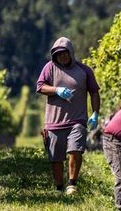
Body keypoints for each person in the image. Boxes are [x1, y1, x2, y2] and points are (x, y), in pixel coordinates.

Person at [36, 37, 101, 195]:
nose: (62, 57)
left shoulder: (84, 70)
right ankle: (58, 187)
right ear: (54, 56)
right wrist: (56, 90)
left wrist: (95, 113)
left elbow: (94, 92)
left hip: (77, 119)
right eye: (58, 55)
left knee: (75, 150)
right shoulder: (49, 68)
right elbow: (40, 87)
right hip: (54, 121)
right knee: (56, 157)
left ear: (71, 53)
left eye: (65, 54)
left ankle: (72, 184)